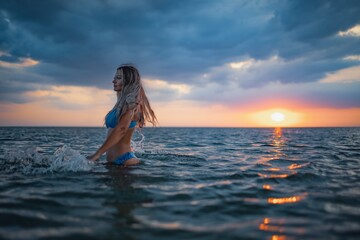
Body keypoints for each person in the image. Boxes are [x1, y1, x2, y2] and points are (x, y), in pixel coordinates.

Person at [87, 64, 157, 166]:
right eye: (114, 77)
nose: (113, 81)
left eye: (118, 78)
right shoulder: (120, 103)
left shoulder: (133, 104)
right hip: (114, 162)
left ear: (128, 82)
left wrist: (97, 154)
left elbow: (122, 129)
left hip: (125, 160)